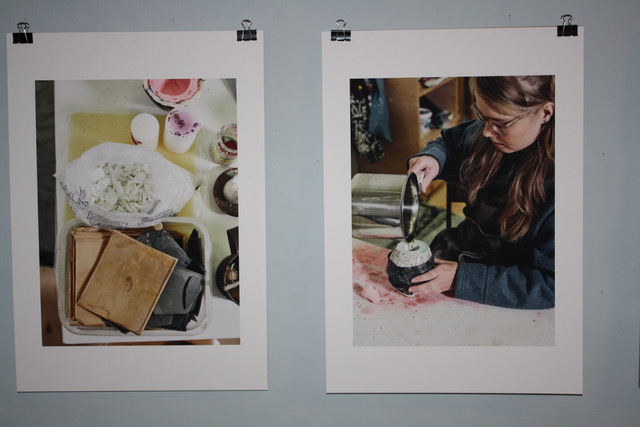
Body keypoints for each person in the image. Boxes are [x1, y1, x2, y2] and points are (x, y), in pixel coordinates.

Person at [406, 76, 555, 309]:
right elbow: (449, 143)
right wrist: (434, 157)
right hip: (463, 247)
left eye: (500, 123)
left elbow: (551, 285)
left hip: (510, 286)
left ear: (545, 113)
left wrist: (463, 278)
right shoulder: (486, 134)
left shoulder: (566, 186)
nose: (486, 132)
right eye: (482, 117)